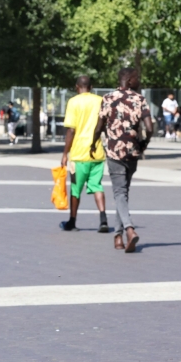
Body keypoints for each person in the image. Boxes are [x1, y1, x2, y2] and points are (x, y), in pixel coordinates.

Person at [90, 68, 154, 253]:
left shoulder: (108, 98)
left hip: (114, 152)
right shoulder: (139, 99)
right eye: (137, 78)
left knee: (119, 193)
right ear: (130, 80)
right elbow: (149, 127)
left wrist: (93, 144)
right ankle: (117, 237)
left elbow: (99, 126)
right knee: (123, 193)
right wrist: (144, 143)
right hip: (132, 152)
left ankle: (129, 229)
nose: (139, 81)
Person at [59, 76, 109, 233]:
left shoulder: (73, 102)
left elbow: (71, 130)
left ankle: (72, 221)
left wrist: (65, 153)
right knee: (97, 186)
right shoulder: (100, 100)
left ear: (76, 87)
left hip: (79, 154)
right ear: (91, 87)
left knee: (75, 189)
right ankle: (103, 219)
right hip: (97, 153)